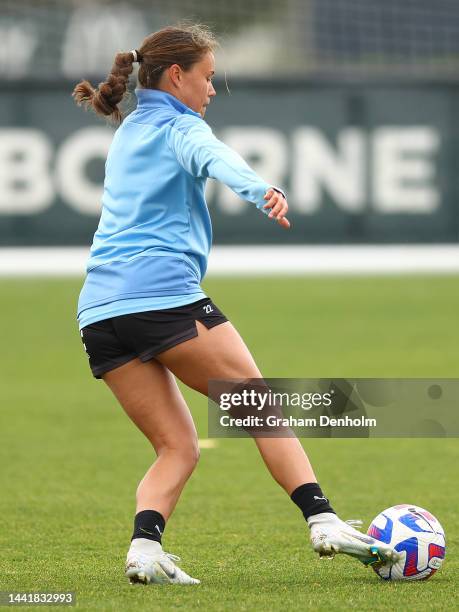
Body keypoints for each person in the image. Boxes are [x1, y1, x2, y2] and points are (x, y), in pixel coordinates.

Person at [74, 24, 399, 586]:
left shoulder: (128, 130)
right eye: (208, 77)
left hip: (99, 313)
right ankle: (322, 518)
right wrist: (261, 190)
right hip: (163, 299)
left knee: (176, 447)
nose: (213, 89)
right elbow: (212, 155)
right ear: (177, 76)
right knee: (259, 408)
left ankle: (145, 552)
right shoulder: (180, 126)